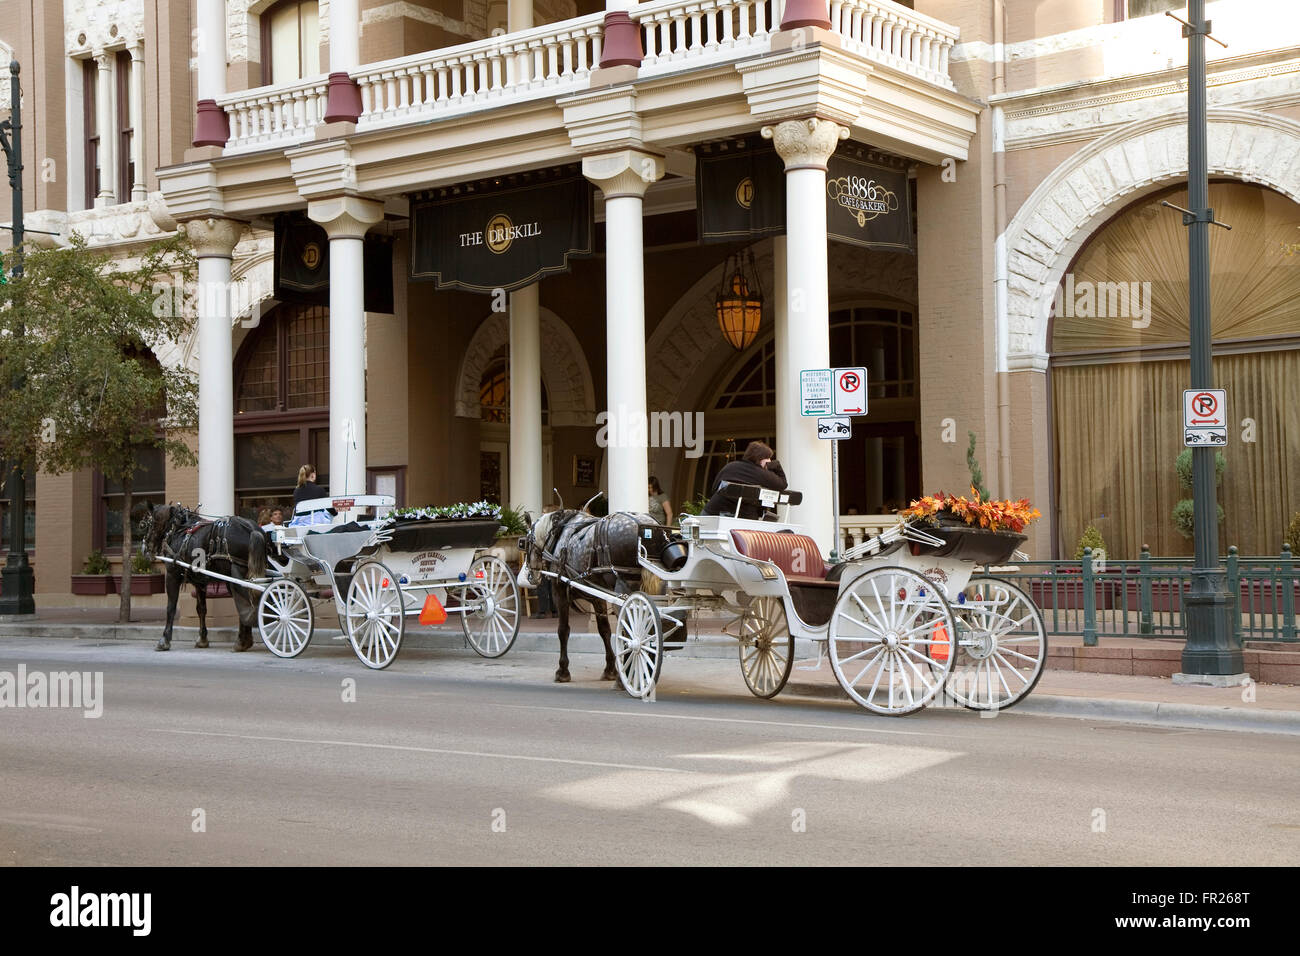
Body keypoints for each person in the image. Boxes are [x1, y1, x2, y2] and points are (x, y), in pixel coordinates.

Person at [702, 441, 788, 519]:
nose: (770, 461)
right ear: (761, 459)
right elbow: (783, 484)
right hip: (742, 518)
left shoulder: (730, 466)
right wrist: (777, 466)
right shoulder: (761, 474)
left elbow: (714, 488)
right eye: (768, 458)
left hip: (712, 512)